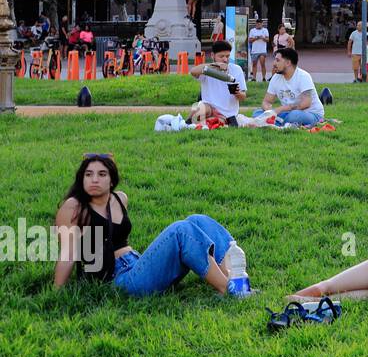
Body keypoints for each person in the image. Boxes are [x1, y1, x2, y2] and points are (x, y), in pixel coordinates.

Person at [52, 153, 244, 296]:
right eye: (88, 174)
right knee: (181, 230)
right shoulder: (74, 207)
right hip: (119, 280)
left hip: (137, 264)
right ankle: (229, 290)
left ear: (111, 180)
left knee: (197, 220)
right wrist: (57, 292)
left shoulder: (120, 199)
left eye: (102, 174)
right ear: (81, 178)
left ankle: (234, 277)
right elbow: (67, 254)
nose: (95, 179)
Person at [188, 40, 248, 127]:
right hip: (208, 107)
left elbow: (243, 97)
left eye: (227, 56)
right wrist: (214, 65)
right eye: (221, 56)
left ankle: (202, 123)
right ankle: (187, 123)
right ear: (213, 55)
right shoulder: (207, 69)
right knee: (199, 108)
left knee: (215, 122)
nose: (225, 59)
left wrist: (237, 93)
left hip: (226, 114)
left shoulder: (236, 69)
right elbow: (193, 72)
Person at [261, 47, 324, 127]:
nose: (274, 63)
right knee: (258, 113)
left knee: (294, 116)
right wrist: (269, 111)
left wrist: (281, 109)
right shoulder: (275, 78)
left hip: (310, 114)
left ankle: (276, 123)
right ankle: (281, 123)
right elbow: (266, 101)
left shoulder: (303, 76)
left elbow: (306, 103)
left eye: (277, 60)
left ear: (288, 63)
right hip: (288, 113)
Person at [248, 17, 271, 82]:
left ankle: (264, 77)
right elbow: (250, 40)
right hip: (254, 50)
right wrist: (255, 38)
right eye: (257, 24)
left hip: (262, 50)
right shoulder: (252, 30)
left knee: (262, 63)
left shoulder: (265, 30)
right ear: (256, 24)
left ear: (262, 24)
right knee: (254, 64)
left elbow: (267, 40)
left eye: (260, 24)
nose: (259, 25)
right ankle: (254, 78)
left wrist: (262, 37)